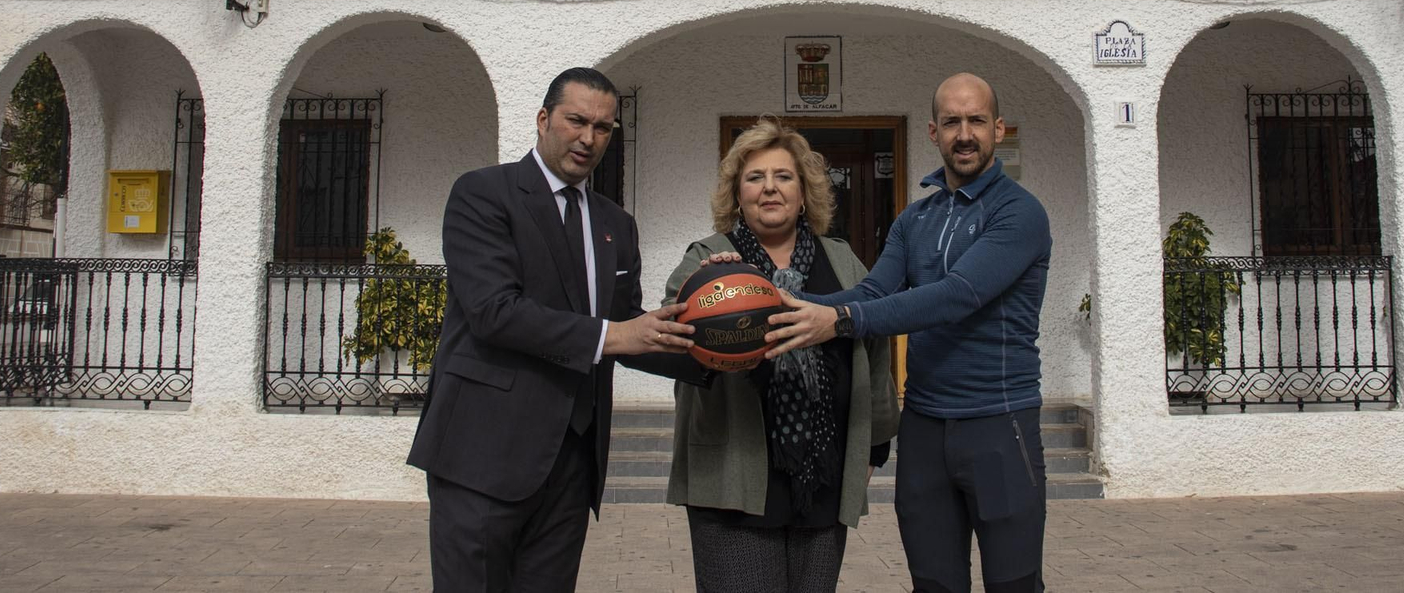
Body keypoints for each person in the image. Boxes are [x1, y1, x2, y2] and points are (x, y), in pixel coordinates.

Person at [407, 67, 701, 592]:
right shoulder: (482, 194)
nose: (589, 138)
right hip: (483, 455)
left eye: (604, 128)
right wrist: (614, 336)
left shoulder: (617, 223)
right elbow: (494, 311)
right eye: (577, 121)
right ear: (543, 119)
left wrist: (724, 345)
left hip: (572, 464)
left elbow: (631, 328)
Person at [765, 73, 1054, 593]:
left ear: (999, 128)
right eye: (951, 122)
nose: (964, 134)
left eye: (976, 121)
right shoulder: (914, 218)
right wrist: (777, 302)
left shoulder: (1020, 212)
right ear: (932, 131)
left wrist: (840, 321)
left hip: (999, 423)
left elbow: (957, 295)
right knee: (933, 583)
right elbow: (873, 293)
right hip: (922, 426)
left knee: (1015, 583)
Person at [662, 118, 899, 593]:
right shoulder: (709, 260)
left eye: (783, 177)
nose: (769, 189)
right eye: (755, 178)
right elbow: (673, 346)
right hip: (733, 480)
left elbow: (873, 351)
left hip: (823, 475)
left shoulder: (841, 259)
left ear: (804, 191)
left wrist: (874, 445)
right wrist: (706, 293)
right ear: (737, 193)